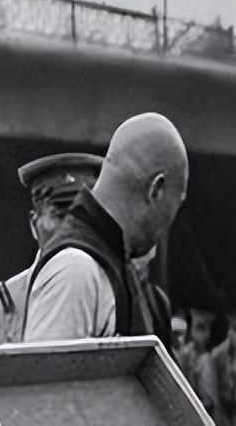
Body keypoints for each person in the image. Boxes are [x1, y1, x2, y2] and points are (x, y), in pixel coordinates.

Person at [24, 113, 186, 344]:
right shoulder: (76, 271)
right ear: (155, 190)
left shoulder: (113, 267)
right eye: (176, 205)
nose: (168, 225)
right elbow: (45, 368)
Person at [0, 153, 103, 346]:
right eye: (60, 216)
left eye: (82, 217)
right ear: (34, 224)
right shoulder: (5, 303)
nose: (73, 229)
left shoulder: (111, 293)